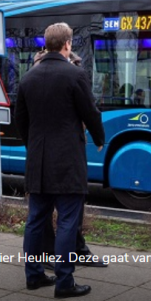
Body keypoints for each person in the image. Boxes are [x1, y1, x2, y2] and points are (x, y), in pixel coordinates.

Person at [15, 22, 105, 299]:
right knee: (67, 220)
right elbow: (90, 113)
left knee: (35, 220)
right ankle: (65, 282)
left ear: (46, 44)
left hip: (38, 162)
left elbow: (21, 123)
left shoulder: (28, 78)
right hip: (67, 161)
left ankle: (34, 275)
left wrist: (34, 145)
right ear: (67, 44)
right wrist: (100, 138)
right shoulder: (75, 75)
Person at [33, 50, 107, 269]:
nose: (74, 68)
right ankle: (49, 256)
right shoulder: (40, 79)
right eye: (72, 63)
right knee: (45, 212)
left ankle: (75, 250)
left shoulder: (71, 79)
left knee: (72, 207)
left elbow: (88, 109)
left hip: (70, 149)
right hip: (50, 152)